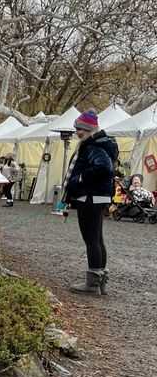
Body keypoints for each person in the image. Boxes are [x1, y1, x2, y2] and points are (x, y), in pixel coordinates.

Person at [63, 110, 118, 296]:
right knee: (97, 239)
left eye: (80, 129)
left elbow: (104, 167)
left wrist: (80, 178)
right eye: (77, 129)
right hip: (97, 197)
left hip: (89, 197)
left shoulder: (93, 145)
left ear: (89, 129)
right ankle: (100, 281)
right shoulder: (101, 143)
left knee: (91, 240)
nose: (77, 132)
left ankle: (93, 284)